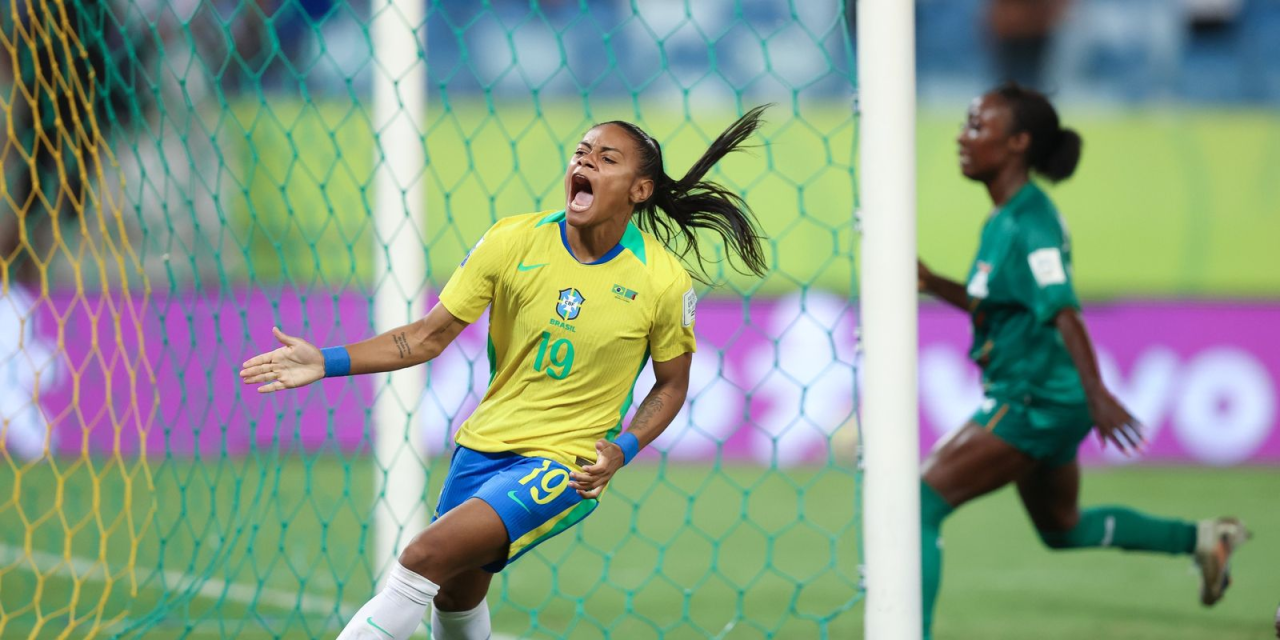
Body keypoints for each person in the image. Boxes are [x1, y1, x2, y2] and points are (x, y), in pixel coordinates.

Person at [240, 107, 770, 639]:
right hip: (484, 445)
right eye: (581, 152)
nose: (585, 161)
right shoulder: (512, 241)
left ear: (639, 190)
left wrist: (623, 448)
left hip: (565, 461)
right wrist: (326, 360)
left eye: (607, 158)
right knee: (455, 594)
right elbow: (427, 337)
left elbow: (672, 384)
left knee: (422, 556)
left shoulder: (661, 281)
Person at [916, 83, 1248, 639]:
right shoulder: (1005, 219)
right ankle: (1204, 539)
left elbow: (1063, 309)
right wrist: (930, 283)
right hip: (1048, 396)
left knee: (915, 506)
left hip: (1035, 401)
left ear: (1018, 142)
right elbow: (996, 305)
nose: (961, 136)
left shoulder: (1031, 222)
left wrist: (1098, 396)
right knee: (1061, 527)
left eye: (977, 125)